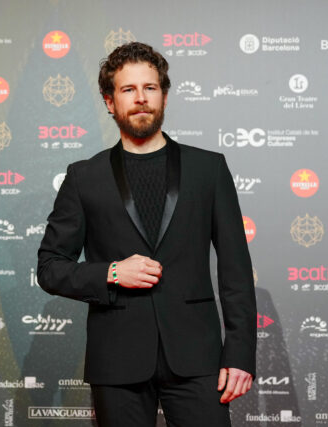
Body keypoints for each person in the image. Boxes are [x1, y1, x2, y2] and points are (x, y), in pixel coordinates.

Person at [37, 41, 256, 426]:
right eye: (128, 89)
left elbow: (236, 270)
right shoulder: (84, 177)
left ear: (164, 97)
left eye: (150, 87)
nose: (141, 98)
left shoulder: (209, 169)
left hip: (198, 357)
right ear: (110, 102)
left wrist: (239, 355)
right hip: (117, 360)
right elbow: (50, 268)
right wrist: (112, 272)